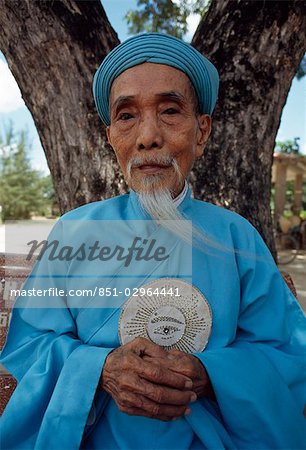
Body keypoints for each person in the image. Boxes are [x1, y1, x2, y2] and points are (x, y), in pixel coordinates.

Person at [0, 33, 305, 450]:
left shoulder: (237, 238)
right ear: (111, 137)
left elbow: (287, 354)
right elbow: (30, 344)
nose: (148, 136)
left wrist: (210, 375)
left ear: (202, 131)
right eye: (127, 116)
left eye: (169, 110)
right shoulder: (73, 233)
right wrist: (99, 368)